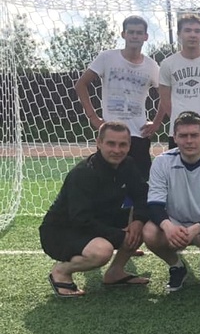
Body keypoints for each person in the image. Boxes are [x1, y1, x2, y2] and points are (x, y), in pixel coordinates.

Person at [40, 121, 149, 297]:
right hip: (62, 231)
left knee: (144, 224)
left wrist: (138, 221)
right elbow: (80, 220)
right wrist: (119, 235)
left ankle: (115, 272)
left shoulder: (128, 164)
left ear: (129, 146)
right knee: (102, 251)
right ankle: (61, 271)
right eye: (111, 143)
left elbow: (142, 195)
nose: (117, 150)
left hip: (98, 221)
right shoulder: (83, 173)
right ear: (99, 143)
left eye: (122, 144)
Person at [143, 112, 200, 292]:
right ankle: (176, 266)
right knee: (149, 233)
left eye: (194, 135)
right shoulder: (161, 162)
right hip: (174, 224)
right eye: (183, 136)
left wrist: (195, 230)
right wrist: (169, 227)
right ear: (175, 137)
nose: (189, 141)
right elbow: (154, 204)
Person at [74, 15, 160, 180]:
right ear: (123, 34)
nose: (134, 36)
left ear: (146, 36)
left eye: (139, 33)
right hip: (111, 134)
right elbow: (81, 85)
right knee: (105, 183)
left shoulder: (151, 66)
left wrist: (156, 122)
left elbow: (165, 94)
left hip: (138, 135)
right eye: (131, 32)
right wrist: (93, 118)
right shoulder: (107, 58)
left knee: (140, 184)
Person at [154, 14, 200, 155]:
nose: (193, 35)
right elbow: (165, 100)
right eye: (188, 30)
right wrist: (180, 121)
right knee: (177, 168)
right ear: (179, 34)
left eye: (197, 31)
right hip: (179, 133)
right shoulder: (168, 64)